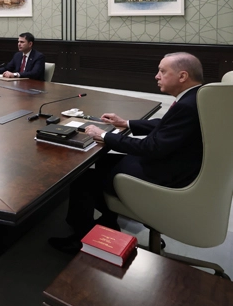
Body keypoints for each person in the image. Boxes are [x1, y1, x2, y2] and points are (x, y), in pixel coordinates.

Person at [48, 52, 205, 254]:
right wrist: (126, 123)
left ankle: (81, 238)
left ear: (182, 76)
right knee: (102, 162)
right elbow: (166, 126)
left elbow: (151, 147)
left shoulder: (187, 105)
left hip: (165, 176)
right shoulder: (196, 97)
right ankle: (108, 222)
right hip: (177, 165)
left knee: (83, 177)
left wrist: (104, 136)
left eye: (162, 71)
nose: (157, 76)